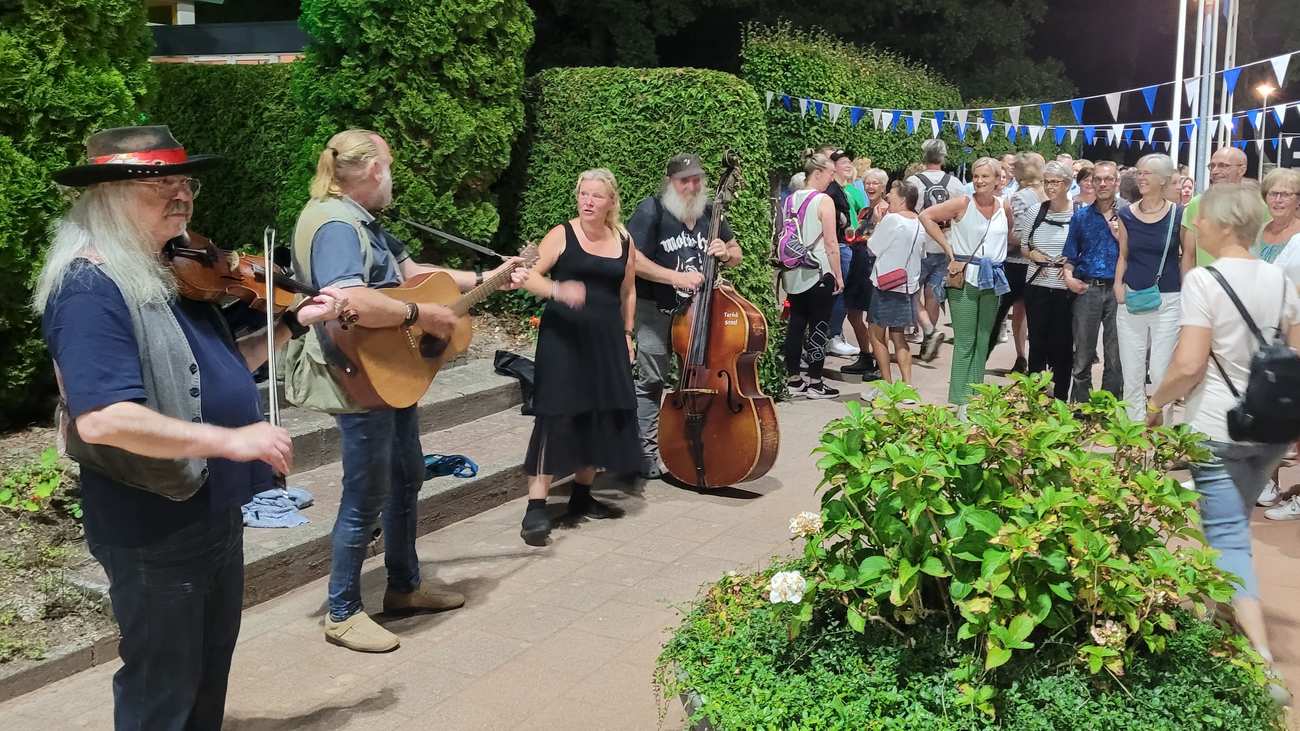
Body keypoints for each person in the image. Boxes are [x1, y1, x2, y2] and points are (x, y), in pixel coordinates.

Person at [34, 126, 347, 728]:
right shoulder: (89, 286)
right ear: (107, 195)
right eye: (160, 184)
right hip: (153, 520)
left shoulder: (171, 269)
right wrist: (233, 441)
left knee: (207, 670)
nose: (181, 196)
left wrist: (291, 326)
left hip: (210, 508)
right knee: (162, 685)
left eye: (185, 182)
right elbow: (103, 418)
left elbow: (221, 369)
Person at [285, 129, 528, 653]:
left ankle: (404, 586)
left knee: (405, 477)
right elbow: (345, 301)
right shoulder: (334, 226)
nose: (393, 178)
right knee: (365, 493)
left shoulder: (359, 221)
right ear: (373, 170)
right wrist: (420, 314)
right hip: (360, 378)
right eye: (390, 168)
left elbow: (416, 274)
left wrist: (488, 277)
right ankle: (343, 611)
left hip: (388, 375)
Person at [1146, 183, 1298, 690]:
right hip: (1271, 428)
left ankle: (1261, 664)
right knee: (1231, 528)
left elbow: (1188, 364)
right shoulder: (1279, 278)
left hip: (1216, 424)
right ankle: (1219, 613)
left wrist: (1154, 403)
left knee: (1228, 536)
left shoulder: (1204, 281)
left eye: (1204, 218)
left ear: (1226, 224)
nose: (1198, 226)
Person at [514, 168, 640, 545]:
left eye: (596, 196)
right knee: (556, 415)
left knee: (598, 412)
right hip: (563, 340)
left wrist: (628, 334)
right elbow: (526, 276)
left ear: (610, 202)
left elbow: (628, 291)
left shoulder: (623, 238)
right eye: (583, 194)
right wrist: (557, 289)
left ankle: (582, 497)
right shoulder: (561, 234)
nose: (587, 201)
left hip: (606, 339)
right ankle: (536, 508)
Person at [625, 153, 742, 480]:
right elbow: (631, 258)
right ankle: (645, 452)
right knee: (651, 380)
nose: (691, 186)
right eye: (683, 180)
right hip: (656, 310)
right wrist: (673, 277)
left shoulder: (709, 212)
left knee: (698, 381)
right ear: (670, 182)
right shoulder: (652, 211)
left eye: (696, 180)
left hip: (698, 313)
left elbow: (737, 253)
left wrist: (726, 253)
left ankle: (690, 445)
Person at [920, 157, 1011, 414]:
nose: (980, 181)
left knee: (984, 340)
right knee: (965, 340)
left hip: (993, 277)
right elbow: (926, 215)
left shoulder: (1005, 205)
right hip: (964, 276)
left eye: (985, 176)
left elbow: (1007, 234)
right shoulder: (963, 202)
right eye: (976, 175)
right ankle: (961, 401)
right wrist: (948, 248)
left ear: (997, 180)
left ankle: (976, 397)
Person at [1113, 154, 1194, 422]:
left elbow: (1187, 258)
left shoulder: (1179, 214)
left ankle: (1164, 435)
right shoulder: (1126, 213)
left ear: (1163, 179)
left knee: (1161, 372)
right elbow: (1123, 254)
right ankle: (1133, 431)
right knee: (1132, 371)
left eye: (1147, 173)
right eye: (1139, 172)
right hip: (1132, 297)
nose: (1141, 177)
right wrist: (1117, 286)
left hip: (1168, 298)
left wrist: (1188, 298)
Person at [1250, 168, 1300, 515]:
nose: (1278, 199)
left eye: (1286, 194)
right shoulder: (1258, 233)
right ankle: (1267, 482)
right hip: (1261, 333)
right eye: (1273, 193)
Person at [782, 151, 843, 399]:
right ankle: (816, 381)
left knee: (796, 324)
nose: (832, 178)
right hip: (819, 270)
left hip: (794, 269)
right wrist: (838, 275)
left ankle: (793, 379)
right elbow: (831, 242)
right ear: (817, 172)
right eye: (830, 173)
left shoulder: (790, 200)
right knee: (819, 325)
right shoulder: (823, 201)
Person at [1062, 160, 1124, 402]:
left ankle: (1109, 407)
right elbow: (1070, 255)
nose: (1102, 183)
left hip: (1119, 290)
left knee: (1115, 354)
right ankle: (1080, 407)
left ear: (1117, 182)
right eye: (1097, 179)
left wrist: (1120, 236)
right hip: (1087, 288)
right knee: (1083, 353)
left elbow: (1138, 253)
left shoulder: (1128, 213)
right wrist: (1068, 278)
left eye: (1108, 179)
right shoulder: (1081, 216)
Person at [907, 138, 966, 362]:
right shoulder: (955, 183)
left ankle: (929, 330)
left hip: (920, 243)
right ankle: (926, 340)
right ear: (943, 157)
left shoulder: (913, 181)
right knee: (933, 295)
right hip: (945, 243)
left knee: (911, 291)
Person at [1021, 161, 1076, 400]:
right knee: (1037, 343)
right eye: (1047, 182)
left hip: (1065, 288)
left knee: (1063, 345)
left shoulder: (1078, 212)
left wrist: (1071, 261)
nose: (1051, 187)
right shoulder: (1036, 211)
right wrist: (1035, 255)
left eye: (1056, 182)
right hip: (1037, 285)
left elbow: (1083, 246)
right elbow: (1024, 246)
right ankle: (1035, 396)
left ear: (1066, 184)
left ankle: (1061, 396)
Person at [865, 180, 924, 399]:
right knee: (899, 337)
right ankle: (907, 388)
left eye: (891, 192)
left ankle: (886, 386)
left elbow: (873, 247)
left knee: (876, 333)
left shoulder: (892, 219)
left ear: (901, 198)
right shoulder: (918, 221)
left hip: (886, 283)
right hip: (908, 285)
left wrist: (879, 222)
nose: (888, 195)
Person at [990, 151, 1043, 374]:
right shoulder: (1048, 195)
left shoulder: (1021, 197)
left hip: (1017, 263)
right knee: (1032, 316)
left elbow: (1020, 235)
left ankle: (979, 362)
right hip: (1040, 265)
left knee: (998, 314)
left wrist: (1003, 233)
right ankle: (1031, 363)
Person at [840, 168, 890, 379]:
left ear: (883, 186)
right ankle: (866, 355)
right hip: (859, 262)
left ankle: (881, 364)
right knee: (852, 312)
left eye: (875, 183)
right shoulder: (865, 211)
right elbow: (860, 235)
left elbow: (884, 238)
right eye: (868, 183)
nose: (870, 187)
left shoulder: (886, 209)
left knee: (875, 320)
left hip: (873, 265)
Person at [1184, 147, 1264, 266]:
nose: (1215, 171)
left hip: (1245, 279)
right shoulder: (1197, 202)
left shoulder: (1258, 204)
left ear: (1242, 170)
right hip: (1204, 280)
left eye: (1223, 165)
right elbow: (1188, 255)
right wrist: (1188, 282)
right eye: (1212, 166)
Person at [827, 150, 869, 359]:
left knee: (844, 292)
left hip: (851, 244)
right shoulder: (832, 190)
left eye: (848, 161)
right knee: (840, 291)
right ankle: (833, 335)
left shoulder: (848, 189)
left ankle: (835, 334)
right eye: (842, 161)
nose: (847, 164)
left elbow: (863, 211)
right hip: (841, 245)